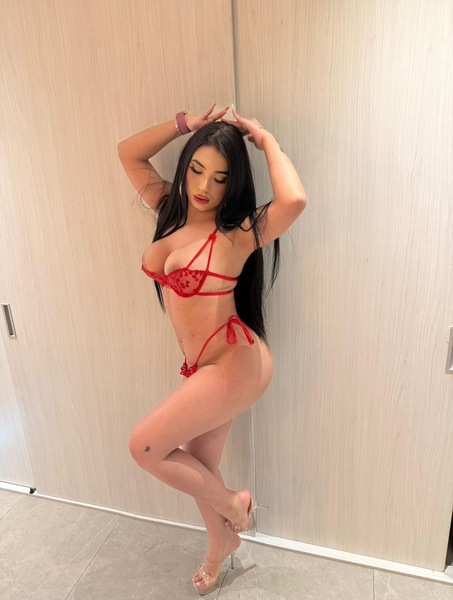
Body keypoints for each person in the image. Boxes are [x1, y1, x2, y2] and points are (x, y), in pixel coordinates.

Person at [117, 104, 307, 595]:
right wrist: (186, 125)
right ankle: (221, 544)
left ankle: (233, 507)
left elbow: (294, 200)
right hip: (205, 367)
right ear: (185, 168)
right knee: (199, 462)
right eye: (196, 170)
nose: (204, 187)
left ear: (232, 184)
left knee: (145, 447)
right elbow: (128, 153)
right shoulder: (168, 208)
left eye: (220, 178)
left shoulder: (236, 235)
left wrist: (262, 138)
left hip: (235, 364)